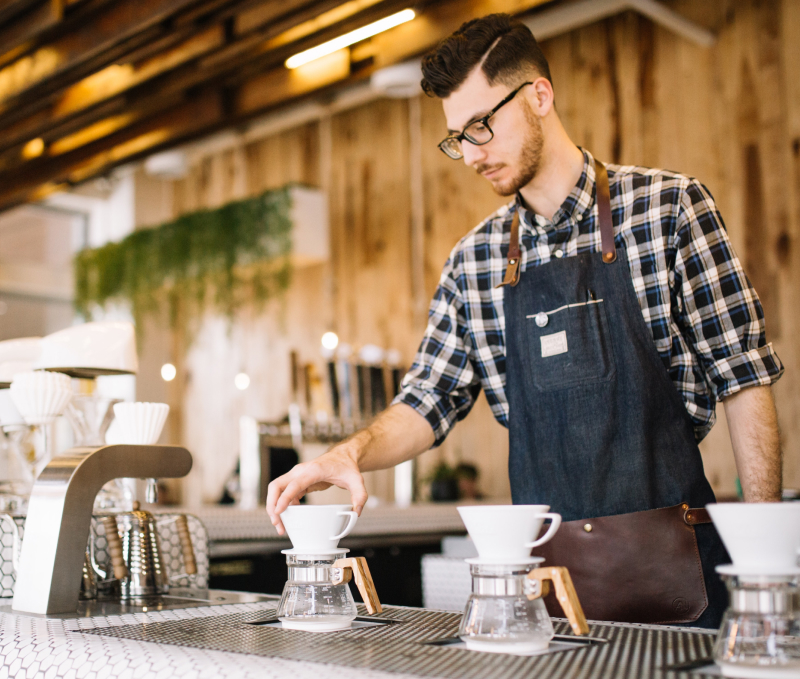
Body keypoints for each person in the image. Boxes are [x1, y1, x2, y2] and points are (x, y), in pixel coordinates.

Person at [268, 14, 783, 628]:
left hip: (683, 583)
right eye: (457, 137)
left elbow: (744, 379)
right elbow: (428, 399)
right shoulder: (474, 262)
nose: (472, 154)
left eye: (483, 126)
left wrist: (765, 569)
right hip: (545, 604)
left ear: (540, 94)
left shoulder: (668, 210)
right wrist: (346, 454)